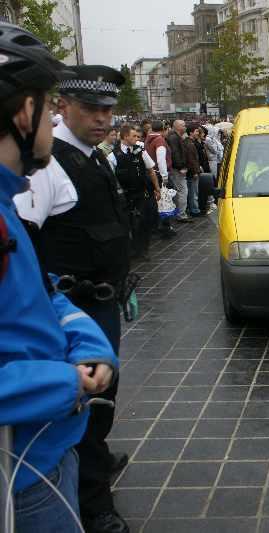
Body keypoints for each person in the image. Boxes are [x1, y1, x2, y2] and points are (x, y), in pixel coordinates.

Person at [0, 22, 119, 533]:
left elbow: (45, 291)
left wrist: (85, 339)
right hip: (20, 466)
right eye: (49, 106)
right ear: (25, 113)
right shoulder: (34, 185)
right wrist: (64, 381)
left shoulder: (5, 203)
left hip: (45, 446)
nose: (52, 118)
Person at [107, 124, 160, 259]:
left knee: (144, 222)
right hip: (124, 196)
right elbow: (110, 179)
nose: (137, 139)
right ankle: (130, 249)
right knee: (128, 224)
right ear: (125, 137)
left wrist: (157, 188)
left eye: (138, 136)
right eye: (134, 136)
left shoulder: (140, 151)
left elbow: (150, 170)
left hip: (141, 193)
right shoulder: (113, 156)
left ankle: (142, 249)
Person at [144, 120, 177, 238]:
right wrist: (164, 176)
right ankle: (165, 227)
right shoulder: (159, 140)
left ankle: (156, 227)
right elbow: (161, 159)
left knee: (157, 201)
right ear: (164, 129)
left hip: (151, 173)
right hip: (159, 174)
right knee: (165, 200)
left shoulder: (148, 139)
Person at [166, 119, 191, 222]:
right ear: (177, 127)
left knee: (180, 191)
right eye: (183, 125)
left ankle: (179, 213)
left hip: (177, 168)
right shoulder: (173, 138)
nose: (185, 127)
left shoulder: (176, 137)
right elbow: (175, 154)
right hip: (177, 170)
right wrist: (181, 167)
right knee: (182, 191)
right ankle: (181, 214)